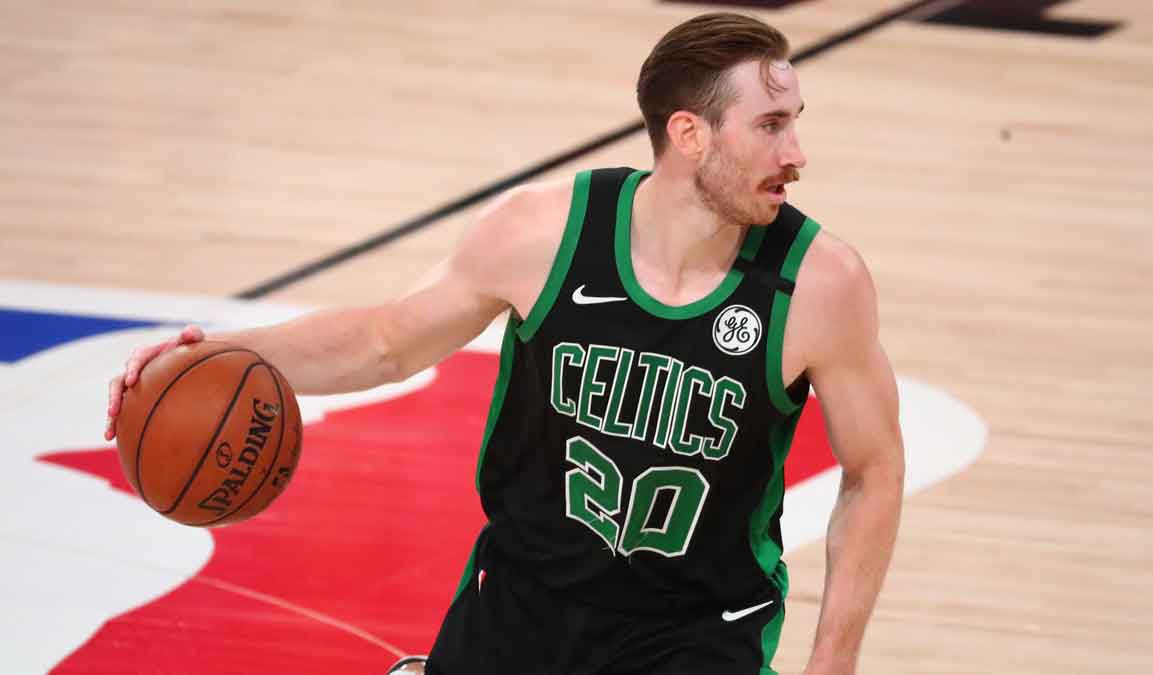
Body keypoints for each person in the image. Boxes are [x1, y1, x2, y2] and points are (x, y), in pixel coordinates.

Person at [106, 12, 904, 675]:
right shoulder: (544, 233)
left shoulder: (821, 283)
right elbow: (386, 341)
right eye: (770, 126)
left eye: (794, 123)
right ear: (690, 134)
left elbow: (872, 470)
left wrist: (830, 666)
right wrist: (218, 355)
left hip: (695, 632)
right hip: (521, 605)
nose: (796, 154)